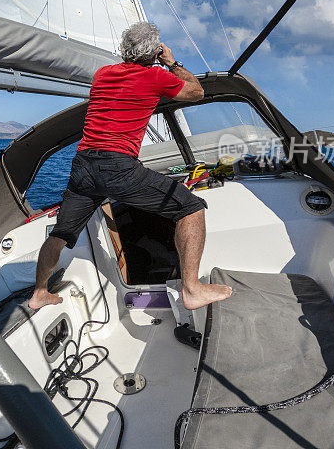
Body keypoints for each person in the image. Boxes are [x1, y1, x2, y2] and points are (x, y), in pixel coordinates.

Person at [28, 22, 232, 311]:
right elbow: (197, 92)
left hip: (84, 164)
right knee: (191, 208)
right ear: (154, 52)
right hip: (118, 167)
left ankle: (39, 293)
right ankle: (192, 289)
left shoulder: (103, 74)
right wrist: (172, 62)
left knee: (61, 233)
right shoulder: (156, 77)